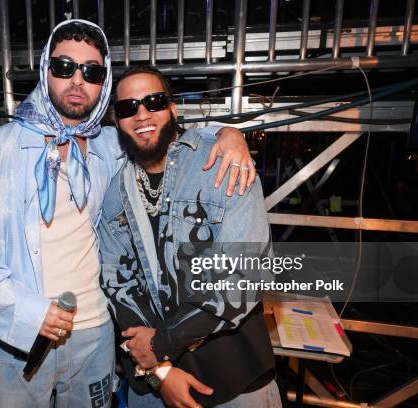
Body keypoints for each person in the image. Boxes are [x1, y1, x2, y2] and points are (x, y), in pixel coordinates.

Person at [0, 20, 254, 407]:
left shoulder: (110, 144)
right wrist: (26, 312)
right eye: (64, 67)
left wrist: (228, 134)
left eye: (91, 71)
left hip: (95, 336)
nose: (76, 80)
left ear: (102, 82)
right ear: (44, 69)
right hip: (18, 339)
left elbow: (161, 129)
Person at [98, 65, 281, 408]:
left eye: (153, 102)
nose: (142, 114)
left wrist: (160, 346)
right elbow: (119, 289)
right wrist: (161, 371)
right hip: (155, 387)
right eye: (128, 107)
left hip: (235, 381)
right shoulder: (114, 196)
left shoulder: (223, 165)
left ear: (172, 108)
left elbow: (244, 279)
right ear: (117, 121)